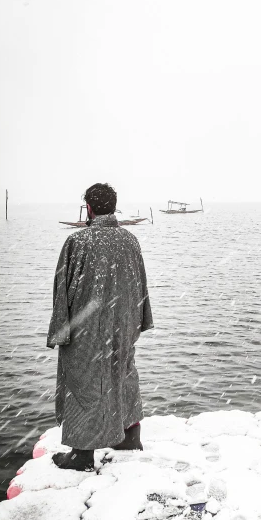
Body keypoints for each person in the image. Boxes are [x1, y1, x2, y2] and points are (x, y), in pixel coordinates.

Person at [47, 183, 153, 471]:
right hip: (123, 323)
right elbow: (140, 282)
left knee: (82, 383)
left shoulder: (77, 242)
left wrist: (60, 330)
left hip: (86, 327)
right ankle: (130, 436)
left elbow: (62, 289)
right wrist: (140, 320)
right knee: (123, 373)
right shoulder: (130, 240)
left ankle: (81, 454)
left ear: (89, 208)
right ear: (114, 206)